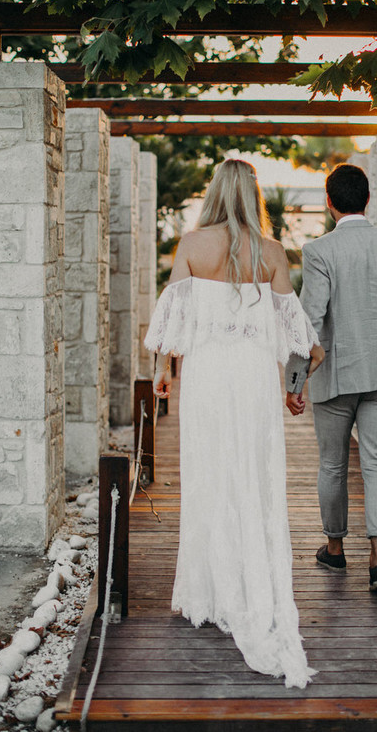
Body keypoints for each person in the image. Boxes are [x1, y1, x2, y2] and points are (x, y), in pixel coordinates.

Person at [145, 158, 324, 688]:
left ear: (215, 194)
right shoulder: (271, 253)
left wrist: (162, 376)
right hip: (250, 378)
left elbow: (170, 324)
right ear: (254, 196)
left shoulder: (194, 244)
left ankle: (209, 591)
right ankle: (248, 585)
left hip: (206, 375)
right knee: (254, 478)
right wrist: (295, 388)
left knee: (209, 477)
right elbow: (301, 341)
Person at [285, 164, 377, 592]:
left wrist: (294, 383)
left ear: (329, 203)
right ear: (367, 200)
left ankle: (334, 550)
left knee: (332, 464)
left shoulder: (319, 251)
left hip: (335, 372)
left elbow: (309, 320)